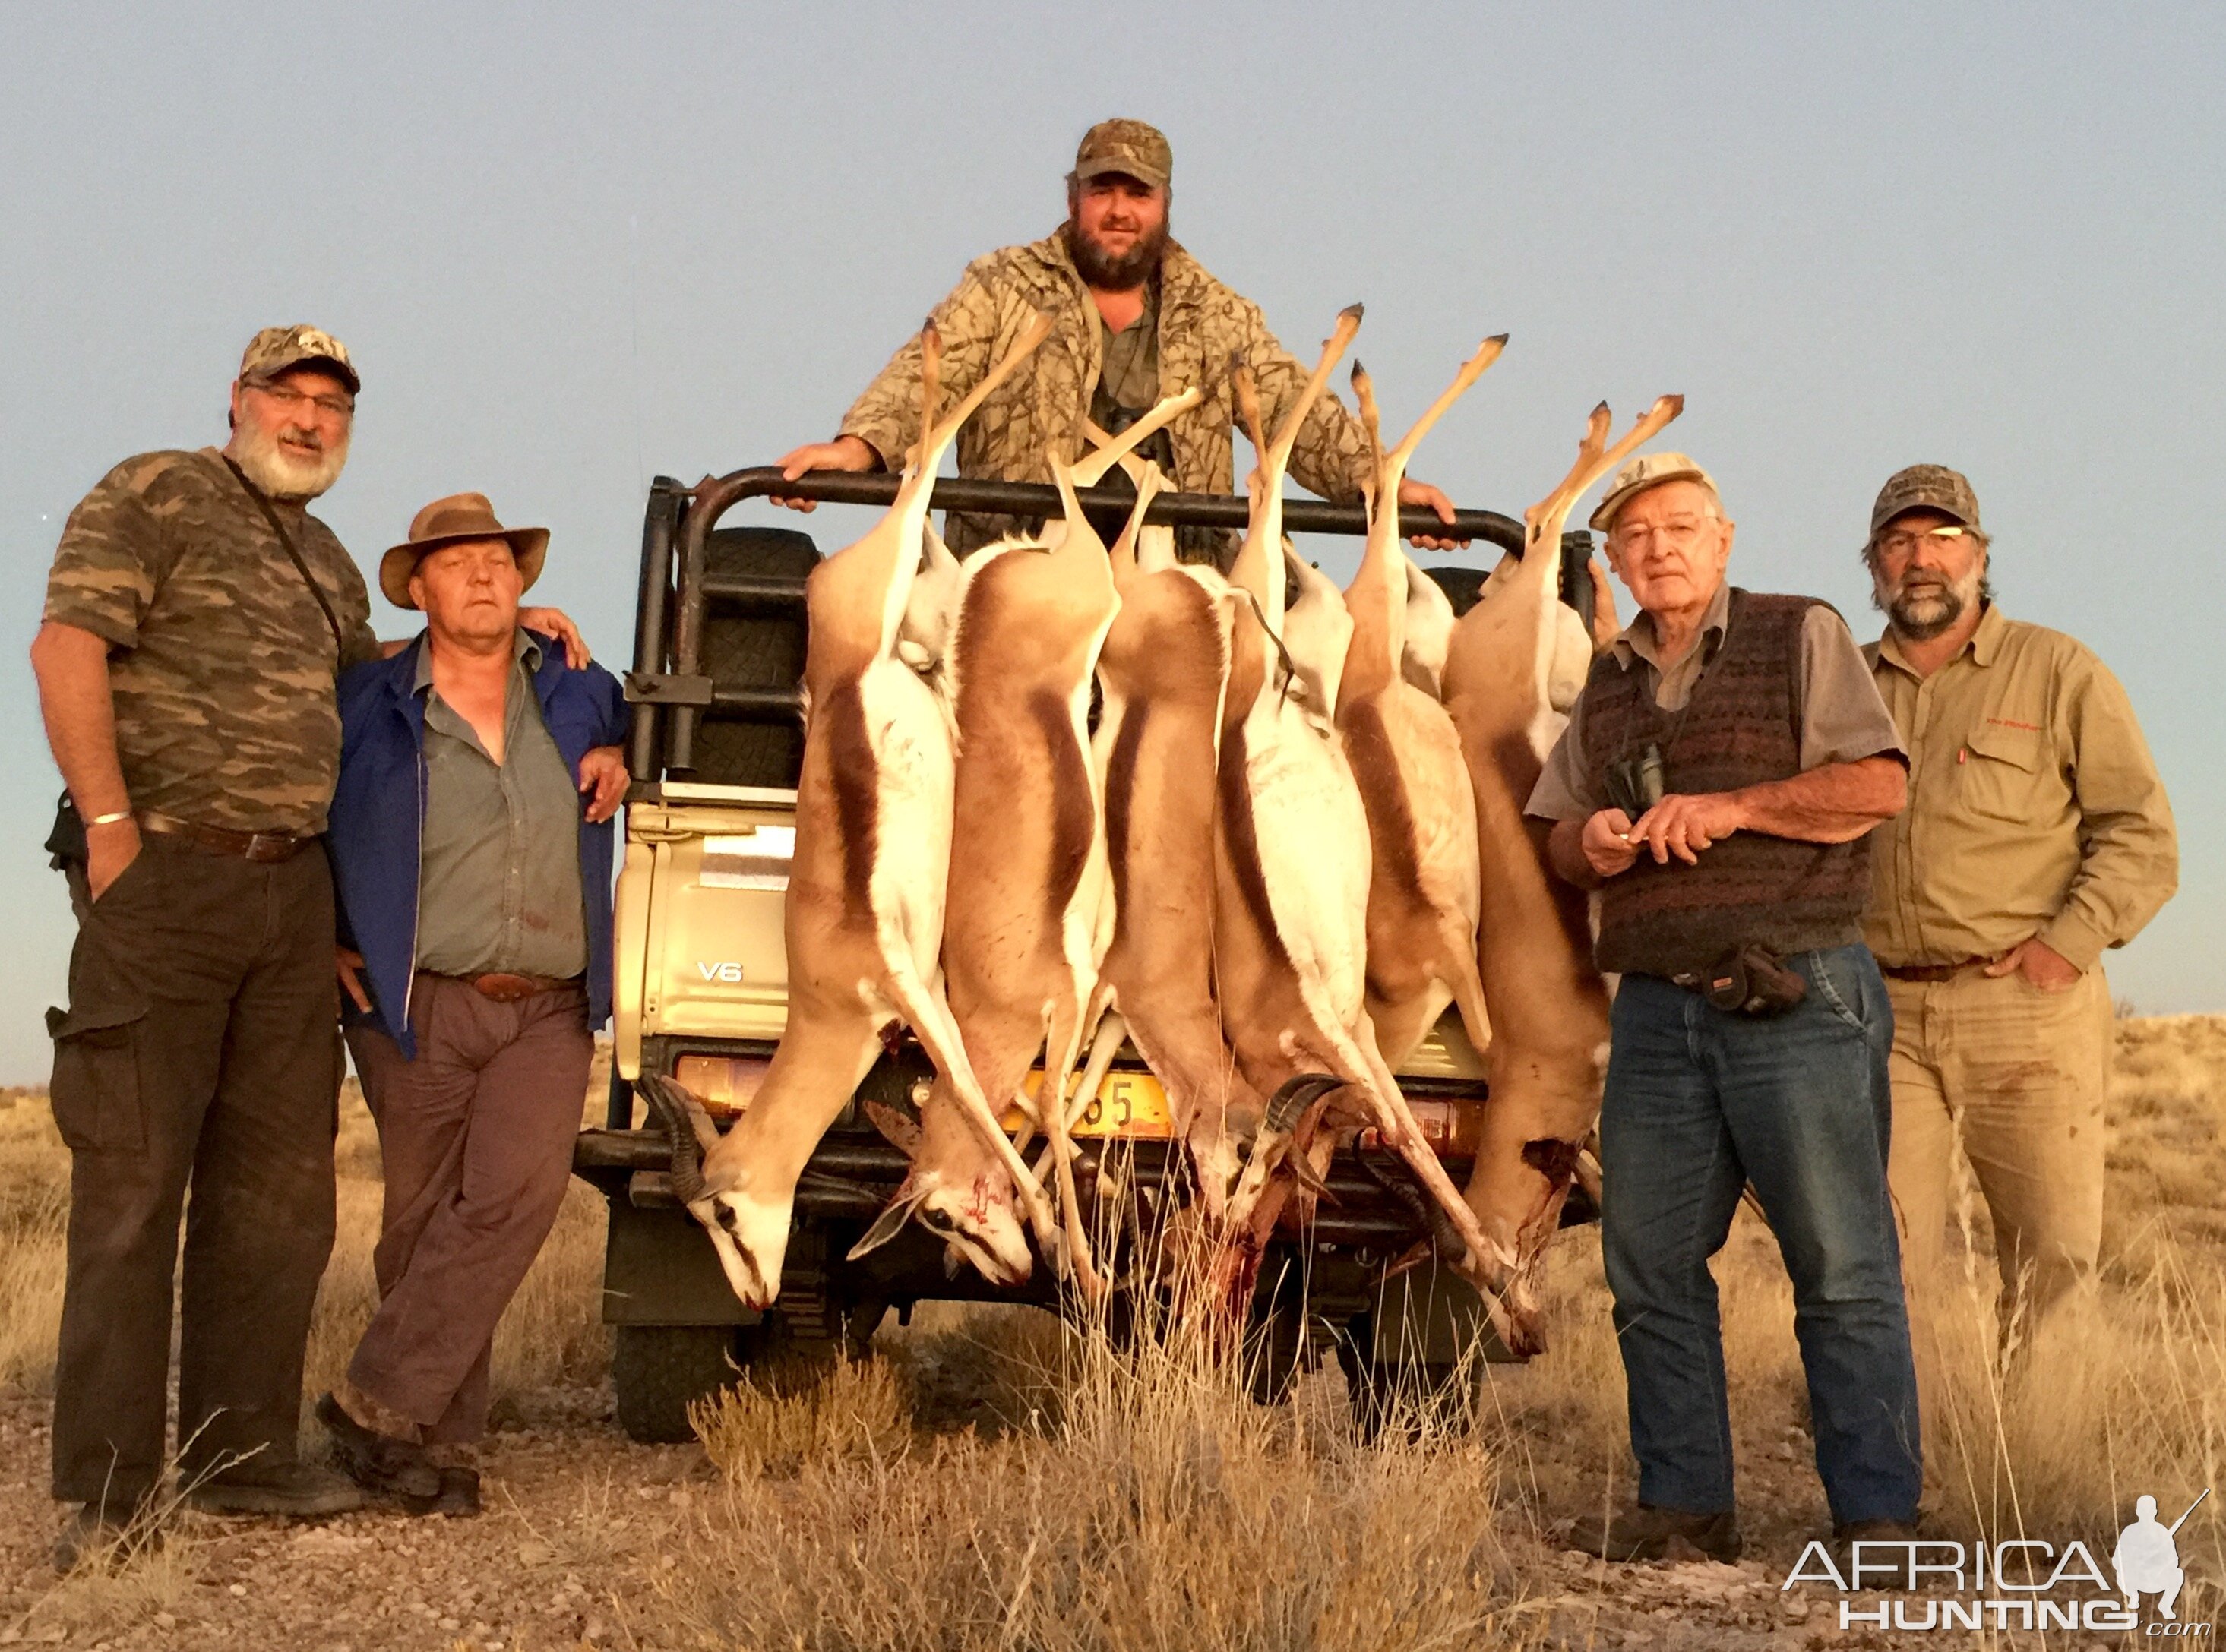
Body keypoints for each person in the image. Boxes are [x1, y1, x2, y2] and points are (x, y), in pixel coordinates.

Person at [30, 327, 587, 1570]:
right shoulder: (154, 490)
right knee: (135, 1183)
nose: (310, 415)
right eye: (289, 392)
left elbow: (381, 692)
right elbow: (66, 647)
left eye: (332, 401)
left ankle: (245, 1463)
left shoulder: (329, 558)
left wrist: (504, 630)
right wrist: (114, 833)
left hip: (291, 896)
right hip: (162, 873)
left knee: (279, 1198)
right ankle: (112, 1491)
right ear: (238, 400)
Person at [1527, 452, 1922, 1559]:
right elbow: (1556, 831)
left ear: (1725, 536)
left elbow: (1874, 785)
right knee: (1646, 1262)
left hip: (1794, 988)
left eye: (1678, 526)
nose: (1657, 548)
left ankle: (1877, 1515)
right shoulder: (1604, 679)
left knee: (1840, 1264)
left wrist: (1734, 807)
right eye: (1633, 535)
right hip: (1659, 1007)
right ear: (1608, 558)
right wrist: (1592, 841)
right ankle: (1687, 1508)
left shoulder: (1799, 633)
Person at [318, 494, 628, 1516]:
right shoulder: (364, 698)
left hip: (547, 1004)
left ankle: (375, 1397)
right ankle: (442, 1449)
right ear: (418, 589)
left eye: (500, 560)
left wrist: (621, 757)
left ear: (524, 581)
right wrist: (321, 927)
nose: (486, 576)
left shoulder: (580, 688)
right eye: (458, 564)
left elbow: (643, 731)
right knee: (419, 1222)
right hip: (416, 1001)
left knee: (513, 1198)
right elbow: (298, 803)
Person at [773, 118, 1465, 563]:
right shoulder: (1003, 286)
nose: (1119, 211)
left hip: (1178, 577)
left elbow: (1296, 409)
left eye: (1138, 194)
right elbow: (930, 371)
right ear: (1073, 198)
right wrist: (858, 448)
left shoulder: (1216, 312)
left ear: (1165, 204)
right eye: (1103, 191)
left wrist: (1380, 480)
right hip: (1016, 567)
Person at [1859, 466, 2176, 1354]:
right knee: (1884, 1261)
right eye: (1898, 541)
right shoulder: (1839, 686)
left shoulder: (2057, 669)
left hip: (2026, 1010)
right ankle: (1902, 1483)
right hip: (1880, 1018)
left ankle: (2039, 1479)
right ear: (1872, 562)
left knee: (2052, 1261)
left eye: (1942, 538)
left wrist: (2062, 948)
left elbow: (2140, 835)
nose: (1920, 560)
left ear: (1979, 555)